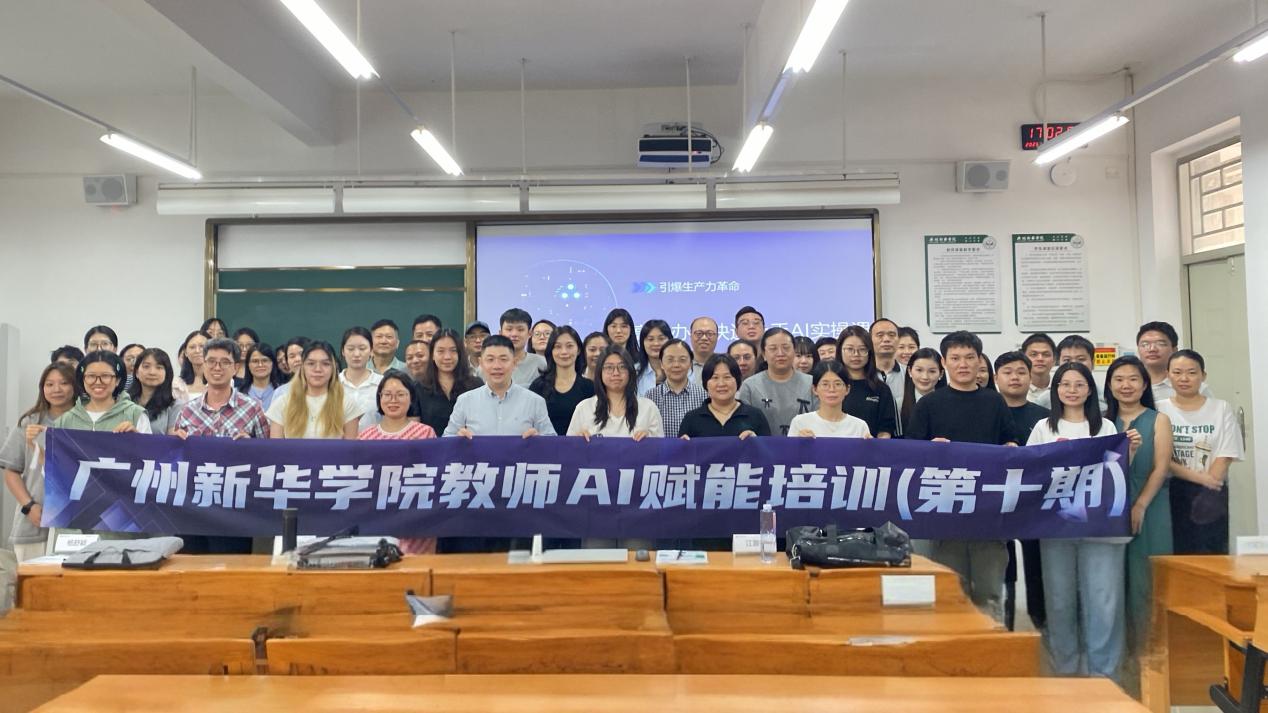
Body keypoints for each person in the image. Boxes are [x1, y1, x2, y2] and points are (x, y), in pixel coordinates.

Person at [1027, 362, 1133, 682]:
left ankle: (1104, 674)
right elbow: (1029, 471)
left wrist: (1129, 451)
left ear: (1090, 390)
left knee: (1103, 600)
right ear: (1056, 389)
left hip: (1101, 526)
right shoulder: (1043, 427)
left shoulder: (1107, 428)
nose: (1072, 390)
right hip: (1054, 525)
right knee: (1059, 600)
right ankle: (1065, 670)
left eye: (1079, 384)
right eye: (1065, 384)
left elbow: (1116, 473)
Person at [905, 331, 1017, 623]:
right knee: (950, 594)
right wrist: (929, 450)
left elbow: (1011, 445)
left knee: (990, 594)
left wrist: (1011, 447)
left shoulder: (995, 402)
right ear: (944, 363)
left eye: (969, 357)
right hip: (945, 515)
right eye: (955, 358)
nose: (963, 364)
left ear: (980, 361)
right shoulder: (929, 405)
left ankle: (990, 647)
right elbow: (909, 456)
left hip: (988, 514)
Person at [172, 338, 270, 555]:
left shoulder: (253, 408)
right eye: (211, 361)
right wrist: (174, 443)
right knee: (190, 567)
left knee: (232, 569)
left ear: (236, 367)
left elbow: (268, 457)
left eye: (225, 362)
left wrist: (252, 447)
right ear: (203, 365)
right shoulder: (187, 411)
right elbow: (175, 461)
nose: (217, 367)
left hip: (235, 510)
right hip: (192, 506)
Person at [1103, 355, 1173, 659]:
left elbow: (1161, 467)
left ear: (1144, 385)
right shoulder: (1102, 422)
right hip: (1109, 506)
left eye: (1133, 379)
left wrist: (1140, 505)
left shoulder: (1158, 419)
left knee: (1147, 580)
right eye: (1118, 379)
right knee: (1111, 580)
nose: (1126, 385)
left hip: (1151, 504)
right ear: (1109, 386)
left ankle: (1150, 655)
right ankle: (1119, 655)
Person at [1157, 349, 1244, 555]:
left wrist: (1209, 483)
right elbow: (1159, 456)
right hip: (1170, 488)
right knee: (1175, 550)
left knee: (1210, 552)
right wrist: (1198, 478)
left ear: (1203, 376)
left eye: (1192, 372)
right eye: (1177, 372)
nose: (1184, 378)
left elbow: (1226, 452)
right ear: (1168, 375)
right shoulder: (1159, 409)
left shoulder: (1221, 408)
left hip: (1211, 488)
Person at [994, 351, 1051, 631]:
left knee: (1036, 562)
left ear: (1031, 377)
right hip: (996, 502)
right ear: (996, 378)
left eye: (1021, 372)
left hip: (1035, 504)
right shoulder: (987, 412)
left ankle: (1040, 620)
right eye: (1007, 372)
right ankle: (1004, 624)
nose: (1014, 377)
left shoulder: (1045, 417)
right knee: (1002, 565)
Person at [2, 363, 77, 561]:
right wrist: (29, 506)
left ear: (75, 386)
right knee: (32, 579)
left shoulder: (86, 422)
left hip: (76, 524)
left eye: (64, 383)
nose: (56, 389)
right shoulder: (29, 422)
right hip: (34, 520)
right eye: (49, 384)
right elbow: (11, 470)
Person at [359, 370, 438, 555]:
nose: (393, 400)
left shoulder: (425, 433)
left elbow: (435, 478)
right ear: (379, 398)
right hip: (377, 521)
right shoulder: (365, 436)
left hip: (417, 524)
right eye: (387, 394)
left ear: (411, 398)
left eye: (400, 394)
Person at [267, 341, 362, 439]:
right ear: (302, 367)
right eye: (311, 363)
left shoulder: (346, 403)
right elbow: (276, 447)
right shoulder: (282, 403)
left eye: (325, 364)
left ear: (334, 368)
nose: (318, 369)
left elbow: (350, 447)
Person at [567, 346, 663, 439]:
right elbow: (568, 447)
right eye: (609, 367)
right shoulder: (583, 408)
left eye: (622, 367)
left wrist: (649, 441)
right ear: (600, 372)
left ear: (630, 371)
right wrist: (577, 441)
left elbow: (660, 448)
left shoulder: (648, 408)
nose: (616, 373)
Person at [737, 327, 814, 436]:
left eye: (786, 348)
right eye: (773, 349)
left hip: (805, 444)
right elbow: (745, 426)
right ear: (764, 354)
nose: (780, 353)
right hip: (762, 446)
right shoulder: (750, 386)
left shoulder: (812, 383)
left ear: (794, 351)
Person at [54, 351, 151, 434]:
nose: (98, 382)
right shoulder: (64, 421)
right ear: (83, 380)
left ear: (117, 380)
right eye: (91, 376)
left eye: (105, 376)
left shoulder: (135, 415)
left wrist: (136, 440)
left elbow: (148, 450)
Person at [678, 354, 771, 438]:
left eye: (727, 377)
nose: (721, 384)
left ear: (737, 380)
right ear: (706, 383)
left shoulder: (755, 416)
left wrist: (756, 442)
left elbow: (768, 450)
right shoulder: (691, 419)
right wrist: (683, 446)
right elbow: (681, 451)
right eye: (715, 377)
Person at [530, 326, 595, 437]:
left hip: (578, 446)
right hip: (545, 446)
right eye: (558, 347)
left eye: (569, 346)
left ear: (579, 350)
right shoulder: (538, 386)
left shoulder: (589, 388)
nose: (564, 352)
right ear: (551, 351)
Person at [416, 329, 484, 436]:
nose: (447, 357)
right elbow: (415, 430)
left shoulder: (476, 385)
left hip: (468, 444)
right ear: (432, 355)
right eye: (441, 351)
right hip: (431, 445)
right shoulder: (418, 388)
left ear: (460, 354)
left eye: (453, 350)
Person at [836, 326, 897, 439]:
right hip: (835, 445)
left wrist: (877, 444)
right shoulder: (832, 386)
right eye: (849, 349)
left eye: (862, 349)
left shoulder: (881, 389)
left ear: (870, 352)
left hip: (871, 446)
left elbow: (886, 428)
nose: (856, 354)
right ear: (840, 350)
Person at [789, 360, 871, 438]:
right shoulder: (800, 423)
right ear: (814, 389)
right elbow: (790, 448)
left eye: (837, 384)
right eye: (825, 384)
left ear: (847, 389)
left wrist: (870, 444)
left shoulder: (859, 426)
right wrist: (798, 442)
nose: (831, 389)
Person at [645, 338, 707, 439]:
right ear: (662, 364)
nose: (676, 365)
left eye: (682, 360)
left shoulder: (704, 396)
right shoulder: (650, 397)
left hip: (694, 449)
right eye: (670, 360)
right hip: (662, 449)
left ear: (690, 363)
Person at [1137, 321, 1212, 402]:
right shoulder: (1130, 385)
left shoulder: (1196, 387)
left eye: (1160, 344)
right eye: (1145, 344)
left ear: (1174, 350)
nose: (1152, 349)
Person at [126, 348, 183, 435]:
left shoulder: (175, 405)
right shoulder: (125, 402)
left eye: (159, 367)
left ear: (167, 373)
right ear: (136, 372)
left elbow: (171, 438)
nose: (152, 372)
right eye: (146, 366)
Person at [339, 326, 383, 431]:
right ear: (343, 351)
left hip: (374, 440)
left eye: (362, 348)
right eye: (350, 349)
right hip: (340, 440)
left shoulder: (382, 383)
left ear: (371, 351)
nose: (356, 354)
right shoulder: (333, 383)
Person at [491, 308, 548, 386]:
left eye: (520, 330)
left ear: (529, 333)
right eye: (509, 329)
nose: (514, 334)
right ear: (500, 333)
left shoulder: (541, 363)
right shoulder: (488, 365)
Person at [898, 348, 945, 436]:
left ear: (941, 374)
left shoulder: (948, 403)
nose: (925, 377)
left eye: (932, 371)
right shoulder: (898, 404)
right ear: (909, 371)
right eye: (919, 370)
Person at [870, 318, 905, 409]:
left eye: (891, 335)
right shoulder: (863, 374)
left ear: (898, 340)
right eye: (880, 335)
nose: (886, 339)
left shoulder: (908, 374)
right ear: (869, 340)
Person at [239, 343, 284, 411]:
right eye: (255, 361)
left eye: (265, 360)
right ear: (248, 365)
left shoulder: (283, 391)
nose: (260, 365)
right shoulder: (238, 393)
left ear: (272, 363)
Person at [635, 319, 673, 395]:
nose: (656, 343)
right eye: (650, 339)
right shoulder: (634, 371)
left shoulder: (681, 369)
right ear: (642, 343)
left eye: (661, 339)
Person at [1022, 333, 1057, 404]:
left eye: (1046, 354)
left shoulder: (1061, 386)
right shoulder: (1016, 388)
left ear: (1054, 360)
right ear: (1023, 359)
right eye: (1034, 354)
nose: (1040, 359)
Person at [177, 329, 211, 398]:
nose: (197, 351)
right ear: (186, 353)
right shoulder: (178, 384)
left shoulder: (221, 380)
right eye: (192, 347)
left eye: (202, 346)